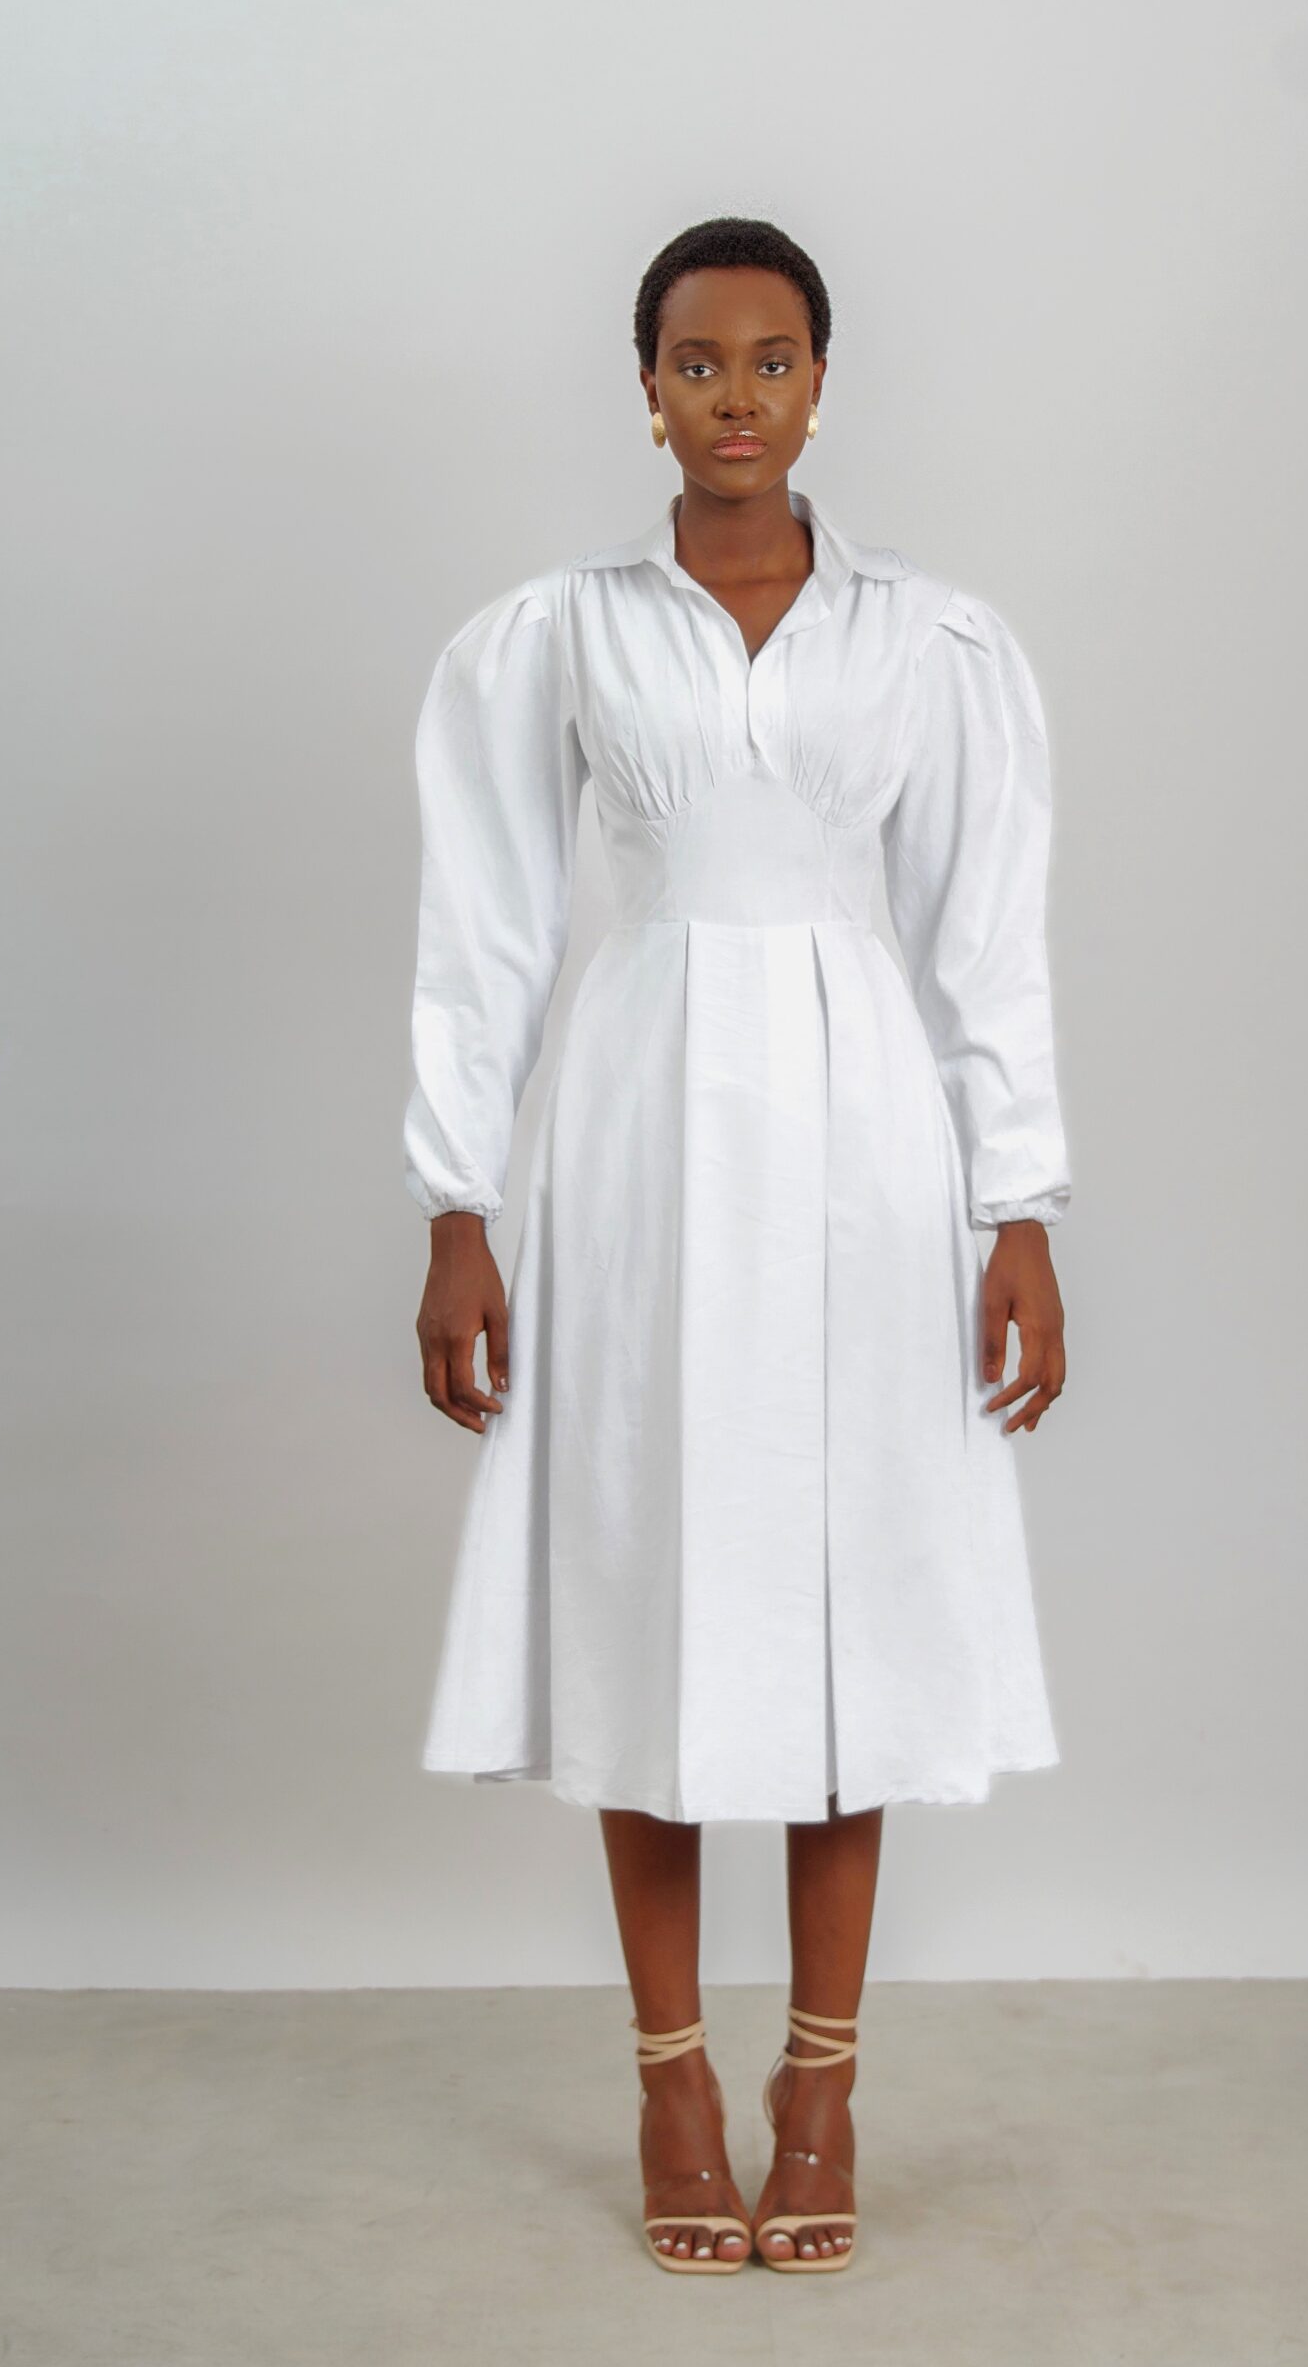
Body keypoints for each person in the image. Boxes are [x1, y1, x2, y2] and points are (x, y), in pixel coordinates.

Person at [403, 215, 1071, 2274]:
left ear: (818, 384)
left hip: (868, 1150)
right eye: (696, 362)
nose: (734, 398)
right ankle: (673, 2074)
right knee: (655, 1585)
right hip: (638, 1144)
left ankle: (824, 2082)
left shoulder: (928, 640)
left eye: (771, 360)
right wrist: (455, 1201)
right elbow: (484, 929)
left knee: (848, 1590)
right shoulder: (560, 634)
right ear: (646, 391)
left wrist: (1020, 1205)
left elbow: (985, 939)